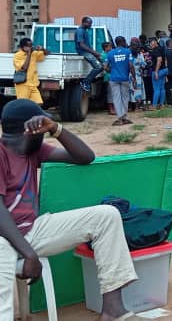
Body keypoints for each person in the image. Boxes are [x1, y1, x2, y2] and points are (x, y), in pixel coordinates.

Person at [0, 99, 139, 321]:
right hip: (4, 236)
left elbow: (85, 157)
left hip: (31, 229)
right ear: (30, 129)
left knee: (107, 215)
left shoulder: (33, 150)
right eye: (43, 127)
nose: (45, 131)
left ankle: (114, 311)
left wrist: (57, 129)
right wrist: (29, 253)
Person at [106, 37, 135, 126]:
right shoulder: (127, 52)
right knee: (125, 98)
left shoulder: (110, 53)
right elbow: (131, 65)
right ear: (123, 42)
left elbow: (105, 66)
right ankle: (125, 118)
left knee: (116, 98)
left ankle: (120, 119)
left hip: (114, 79)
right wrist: (134, 78)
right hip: (124, 78)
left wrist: (112, 71)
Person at [12, 38, 48, 105]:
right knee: (23, 104)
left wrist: (42, 49)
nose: (31, 47)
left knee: (39, 103)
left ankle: (32, 115)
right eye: (29, 45)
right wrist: (28, 54)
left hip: (33, 84)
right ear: (23, 47)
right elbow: (24, 68)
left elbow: (47, 53)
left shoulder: (34, 53)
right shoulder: (17, 55)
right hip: (23, 84)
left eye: (31, 45)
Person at [76, 17, 104, 93]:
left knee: (101, 64)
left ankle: (86, 82)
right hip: (83, 52)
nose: (90, 25)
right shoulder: (80, 31)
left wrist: (95, 53)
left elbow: (87, 45)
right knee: (99, 67)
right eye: (89, 23)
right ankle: (85, 82)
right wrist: (94, 53)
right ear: (84, 22)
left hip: (87, 52)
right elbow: (82, 45)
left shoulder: (84, 31)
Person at [149, 38, 168, 108]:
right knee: (162, 88)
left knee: (156, 89)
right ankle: (161, 104)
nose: (150, 45)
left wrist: (156, 72)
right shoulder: (162, 48)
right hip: (164, 70)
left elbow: (159, 59)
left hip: (158, 71)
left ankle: (154, 105)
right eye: (150, 44)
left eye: (151, 43)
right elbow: (165, 59)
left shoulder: (155, 50)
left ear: (155, 42)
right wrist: (165, 71)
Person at [130, 39, 149, 111]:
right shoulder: (128, 53)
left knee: (138, 90)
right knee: (132, 90)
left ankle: (138, 106)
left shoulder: (140, 54)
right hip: (130, 75)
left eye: (138, 47)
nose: (137, 48)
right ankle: (133, 107)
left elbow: (143, 64)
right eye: (135, 46)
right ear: (131, 46)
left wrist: (143, 64)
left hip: (138, 74)